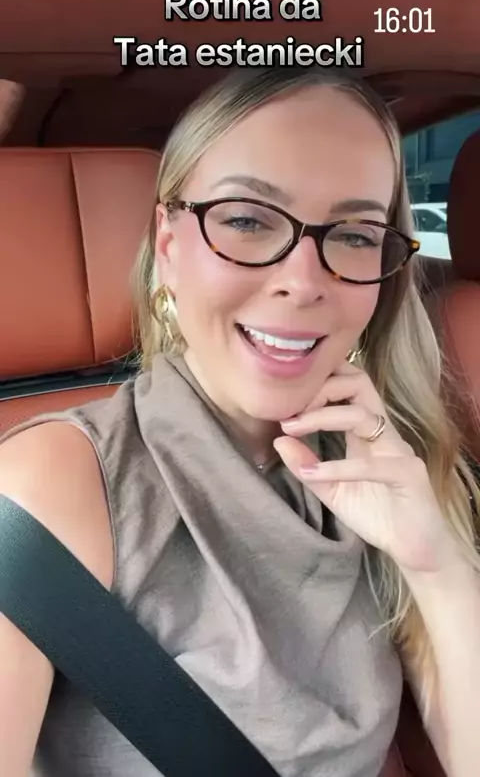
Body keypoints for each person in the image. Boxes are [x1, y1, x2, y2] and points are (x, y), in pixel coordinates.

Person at [0, 66, 479, 777]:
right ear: (169, 248)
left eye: (354, 234)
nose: (304, 281)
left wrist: (434, 560)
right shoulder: (55, 482)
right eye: (248, 221)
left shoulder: (384, 461)